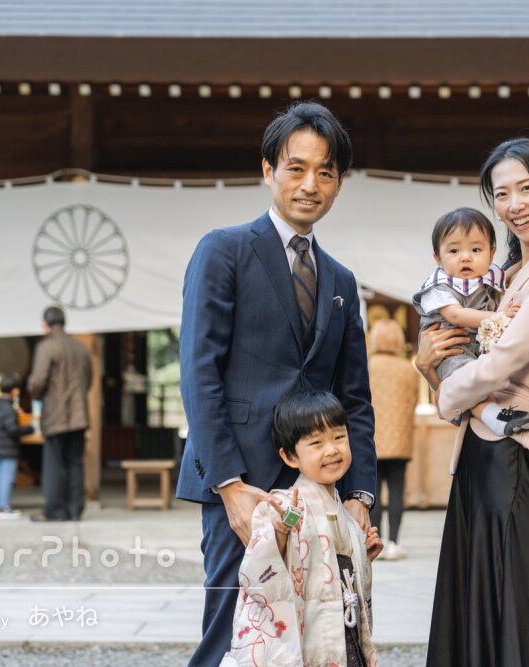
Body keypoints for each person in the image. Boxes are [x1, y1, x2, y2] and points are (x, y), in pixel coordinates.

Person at [177, 101, 376, 667]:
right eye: (296, 167)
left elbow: (354, 397)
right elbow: (199, 370)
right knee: (231, 632)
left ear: (339, 181)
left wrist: (359, 496)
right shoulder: (225, 250)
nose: (310, 184)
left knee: (318, 635)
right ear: (268, 170)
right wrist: (228, 484)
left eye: (326, 171)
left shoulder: (339, 279)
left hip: (319, 490)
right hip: (242, 486)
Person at [415, 138, 529, 667]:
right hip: (479, 450)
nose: (514, 204)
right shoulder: (506, 276)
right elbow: (456, 358)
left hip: (517, 448)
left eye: (527, 188)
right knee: (470, 600)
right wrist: (427, 365)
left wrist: (445, 395)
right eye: (502, 193)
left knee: (507, 604)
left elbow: (502, 361)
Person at [222, 390, 382, 667]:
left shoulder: (346, 515)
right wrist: (280, 533)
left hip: (345, 636)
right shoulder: (285, 506)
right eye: (316, 443)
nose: (331, 449)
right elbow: (260, 571)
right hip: (309, 639)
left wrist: (363, 554)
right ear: (290, 456)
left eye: (339, 437)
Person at [412, 207, 529, 437]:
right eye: (454, 250)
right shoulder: (438, 286)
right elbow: (456, 316)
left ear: (491, 254)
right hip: (450, 352)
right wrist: (500, 318)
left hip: (476, 349)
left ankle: (496, 414)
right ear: (437, 258)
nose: (466, 256)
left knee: (479, 379)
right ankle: (493, 416)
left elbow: (507, 275)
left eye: (476, 249)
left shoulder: (487, 276)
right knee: (467, 379)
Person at [27, 305, 92, 523]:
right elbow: (88, 380)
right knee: (75, 462)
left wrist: (35, 393)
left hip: (56, 415)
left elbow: (37, 381)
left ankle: (55, 510)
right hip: (79, 415)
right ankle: (75, 510)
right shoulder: (81, 348)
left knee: (55, 463)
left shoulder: (46, 347)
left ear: (46, 324)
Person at [366, 319, 419, 560]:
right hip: (400, 440)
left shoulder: (368, 366)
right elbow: (414, 401)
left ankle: (375, 542)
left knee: (373, 493)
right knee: (397, 491)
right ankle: (395, 542)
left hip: (372, 440)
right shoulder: (408, 368)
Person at [0, 374, 34, 519]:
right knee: (7, 478)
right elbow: (12, 430)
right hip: (8, 449)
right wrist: (29, 429)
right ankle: (4, 507)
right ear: (13, 391)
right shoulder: (9, 409)